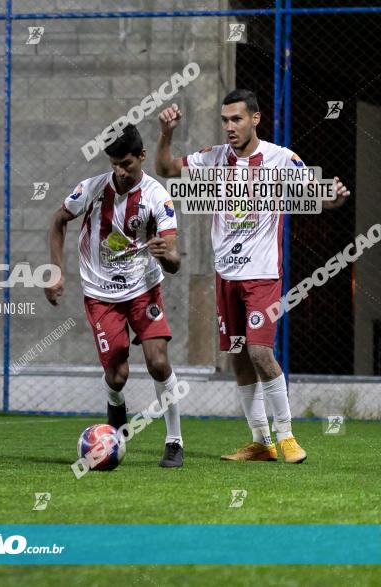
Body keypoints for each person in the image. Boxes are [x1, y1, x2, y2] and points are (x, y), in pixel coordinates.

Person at [155, 89, 351, 463]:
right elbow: (164, 168)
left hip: (262, 275)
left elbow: (317, 195)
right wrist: (166, 132)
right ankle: (261, 442)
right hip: (225, 275)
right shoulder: (212, 159)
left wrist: (336, 197)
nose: (229, 127)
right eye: (225, 120)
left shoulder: (280, 159)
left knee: (260, 351)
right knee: (238, 357)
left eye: (237, 119)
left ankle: (287, 434)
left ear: (255, 119)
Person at [45, 124, 185, 467]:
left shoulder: (157, 198)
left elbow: (175, 264)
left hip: (143, 289)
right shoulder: (91, 189)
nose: (120, 172)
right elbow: (58, 220)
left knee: (158, 362)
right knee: (117, 375)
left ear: (141, 156)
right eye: (114, 165)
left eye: (126, 164)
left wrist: (163, 254)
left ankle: (174, 441)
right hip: (100, 293)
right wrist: (56, 270)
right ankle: (115, 405)